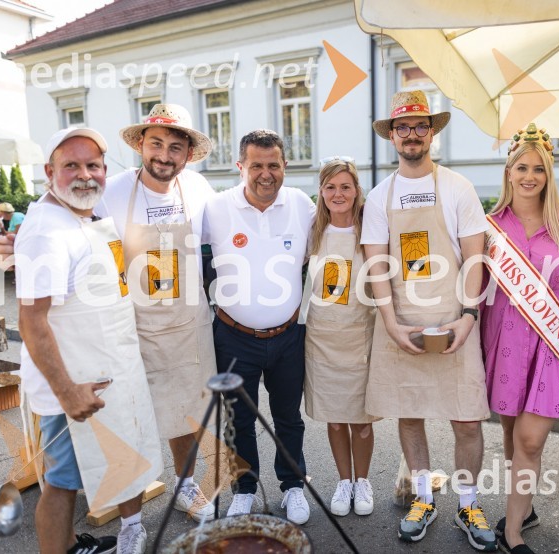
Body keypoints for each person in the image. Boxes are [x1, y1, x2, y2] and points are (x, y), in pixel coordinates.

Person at [15, 128, 162, 554]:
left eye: (93, 165)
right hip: (76, 385)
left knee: (124, 457)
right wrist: (67, 392)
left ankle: (131, 530)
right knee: (63, 485)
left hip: (113, 368)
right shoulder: (46, 232)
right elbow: (32, 321)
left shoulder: (85, 215)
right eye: (71, 166)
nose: (85, 175)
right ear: (49, 172)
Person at [362, 90, 495, 551]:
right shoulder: (380, 196)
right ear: (392, 135)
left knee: (467, 420)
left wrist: (469, 315)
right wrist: (391, 323)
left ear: (432, 132)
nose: (412, 134)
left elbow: (476, 258)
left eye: (421, 126)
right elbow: (376, 264)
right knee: (410, 414)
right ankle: (422, 498)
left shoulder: (458, 187)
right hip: (402, 320)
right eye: (403, 127)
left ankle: (469, 502)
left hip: (454, 318)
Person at [480, 124, 559, 554]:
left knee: (529, 439)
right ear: (508, 171)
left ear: (549, 174)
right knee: (510, 433)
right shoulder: (488, 228)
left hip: (550, 347)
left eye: (538, 169)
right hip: (503, 346)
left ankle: (511, 533)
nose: (529, 176)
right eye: (521, 167)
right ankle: (521, 508)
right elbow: (478, 294)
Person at [109, 104, 218, 531]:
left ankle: (186, 484)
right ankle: (130, 521)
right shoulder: (113, 191)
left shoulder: (199, 189)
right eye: (156, 143)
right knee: (129, 421)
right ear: (141, 144)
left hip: (189, 324)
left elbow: (226, 239)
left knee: (186, 412)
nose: (164, 155)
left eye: (176, 147)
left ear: (188, 154)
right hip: (132, 325)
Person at [204, 129, 316, 524]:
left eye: (273, 165)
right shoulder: (215, 208)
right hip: (234, 335)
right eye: (256, 166)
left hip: (288, 335)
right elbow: (170, 243)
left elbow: (339, 235)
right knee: (239, 419)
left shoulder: (302, 204)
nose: (265, 174)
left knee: (288, 416)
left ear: (284, 166)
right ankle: (245, 489)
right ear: (240, 167)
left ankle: (292, 486)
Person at [301, 157, 378, 517]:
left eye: (345, 186)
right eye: (330, 187)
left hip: (360, 337)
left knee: (361, 422)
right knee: (334, 418)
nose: (338, 193)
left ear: (356, 190)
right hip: (322, 338)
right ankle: (343, 480)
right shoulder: (311, 231)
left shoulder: (372, 232)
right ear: (321, 191)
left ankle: (362, 481)